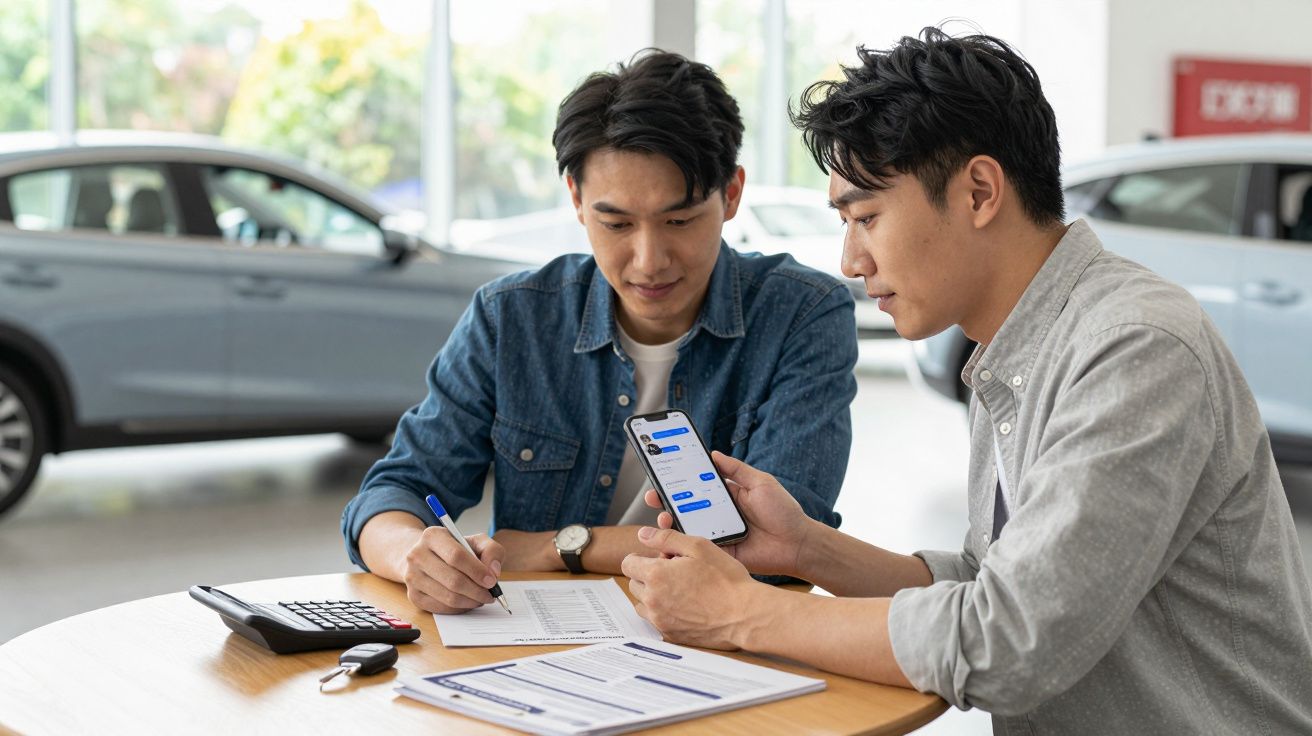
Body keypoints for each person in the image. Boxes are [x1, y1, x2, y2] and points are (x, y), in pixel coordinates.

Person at [622, 28, 1312, 734]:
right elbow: (995, 583)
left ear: (979, 191)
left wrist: (743, 613)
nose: (850, 261)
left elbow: (1009, 644)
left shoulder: (1134, 348)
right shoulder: (1017, 346)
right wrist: (805, 549)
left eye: (866, 217)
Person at [341, 50, 858, 615]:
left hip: (726, 643)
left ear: (731, 194)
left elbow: (785, 546)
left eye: (679, 221)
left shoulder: (801, 314)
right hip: (539, 648)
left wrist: (561, 546)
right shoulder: (511, 318)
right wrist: (414, 556)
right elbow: (394, 493)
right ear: (576, 200)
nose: (648, 260)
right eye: (615, 224)